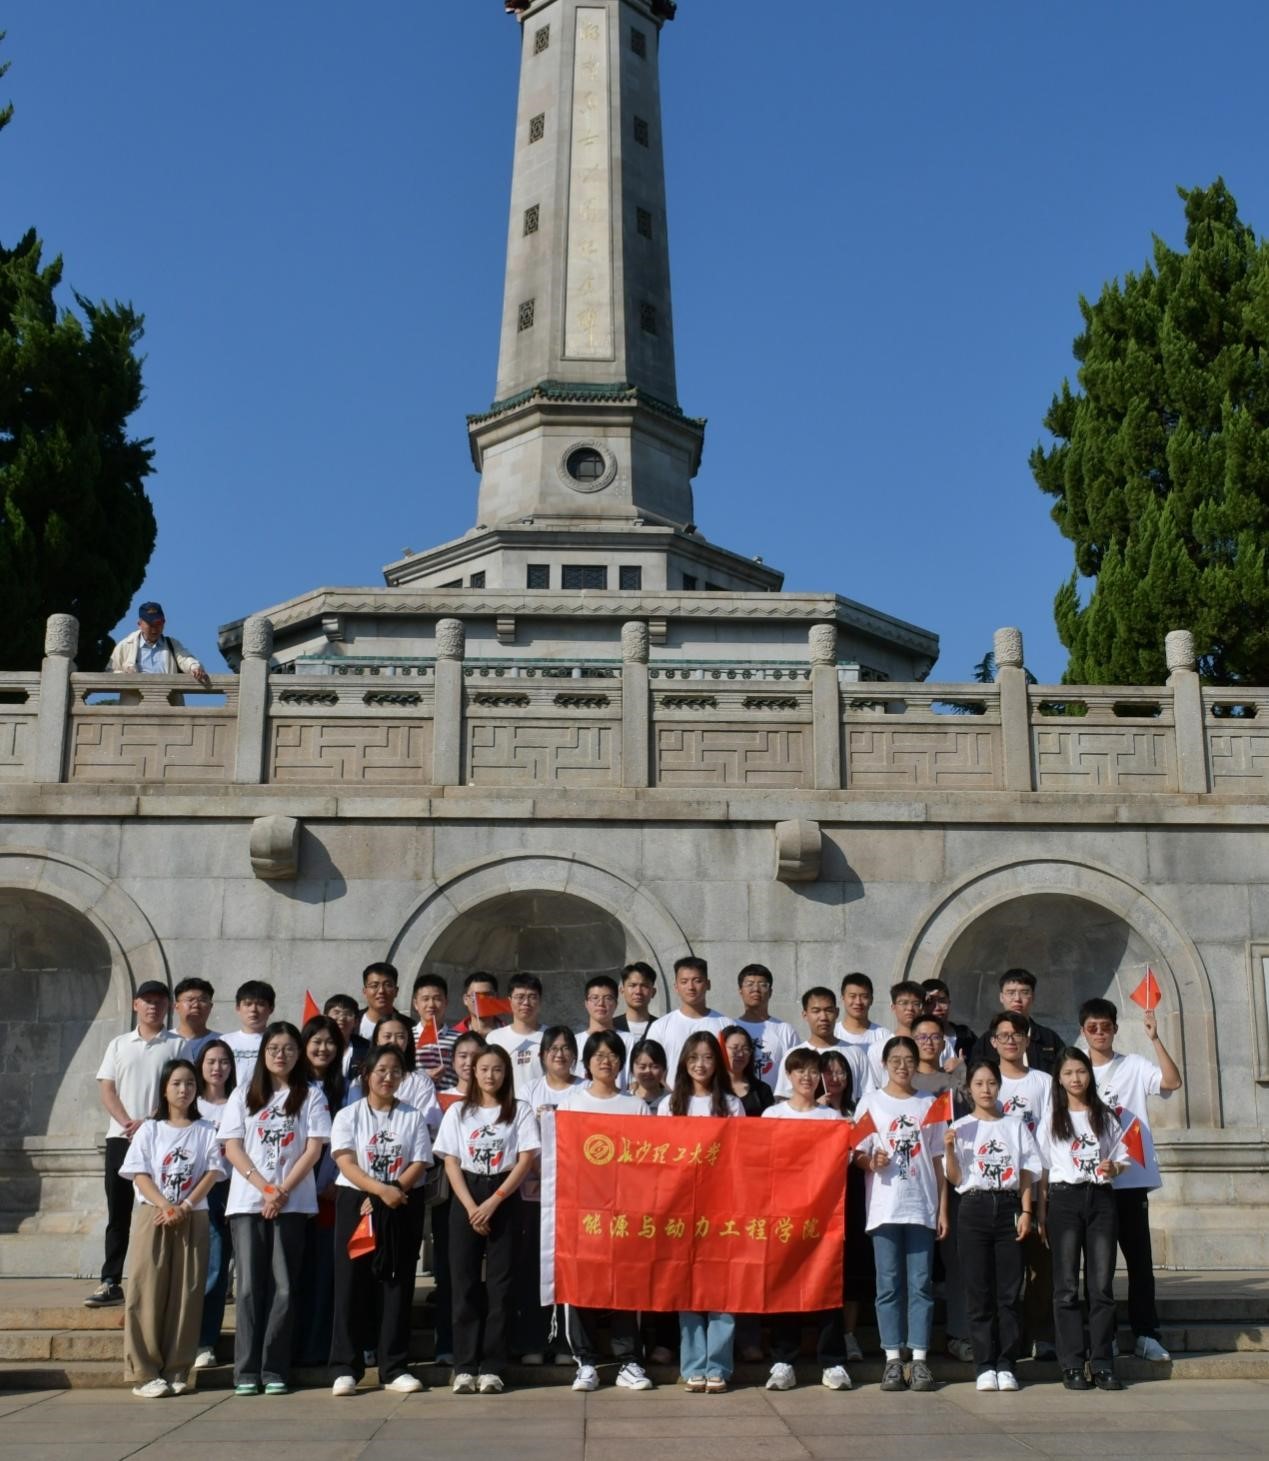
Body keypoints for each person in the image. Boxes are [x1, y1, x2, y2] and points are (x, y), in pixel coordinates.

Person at [220, 1021, 332, 1395]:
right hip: (248, 1202)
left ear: (298, 1053)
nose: (280, 1055)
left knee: (284, 1287)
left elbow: (314, 1148)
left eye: (288, 1048)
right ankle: (246, 1371)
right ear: (263, 1053)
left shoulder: (311, 1095)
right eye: (273, 1049)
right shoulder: (243, 1094)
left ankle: (274, 1369)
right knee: (249, 1288)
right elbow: (232, 1147)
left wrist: (281, 1190)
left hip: (292, 1203)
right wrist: (265, 1188)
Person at [434, 1044, 540, 1394]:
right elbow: (451, 1161)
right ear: (473, 1072)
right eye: (483, 1069)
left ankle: (493, 1366)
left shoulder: (519, 1110)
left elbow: (525, 1160)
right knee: (463, 1283)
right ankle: (464, 1366)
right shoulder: (458, 1112)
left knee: (501, 1284)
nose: (490, 1075)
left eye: (497, 1069)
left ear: (506, 1073)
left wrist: (494, 1201)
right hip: (466, 1194)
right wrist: (470, 1207)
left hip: (504, 1196)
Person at [1081, 996, 1182, 1363]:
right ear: (1083, 1031)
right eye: (1092, 1027)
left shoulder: (1134, 1065)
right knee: (1098, 1267)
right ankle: (1103, 1337)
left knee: (1139, 1262)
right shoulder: (1075, 1069)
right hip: (1091, 1181)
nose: (1099, 1033)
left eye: (1105, 1027)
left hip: (1131, 1179)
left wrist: (1155, 1038)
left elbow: (1172, 1081)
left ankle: (1146, 1334)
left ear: (1115, 1029)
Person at [328, 1043, 432, 1396]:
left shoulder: (412, 1116)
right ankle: (346, 1366)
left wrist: (393, 1191)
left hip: (401, 1200)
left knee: (397, 1282)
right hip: (357, 1199)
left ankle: (395, 1367)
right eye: (381, 1071)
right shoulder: (349, 1115)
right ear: (366, 1074)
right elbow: (345, 1161)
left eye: (395, 1071)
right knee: (350, 1282)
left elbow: (420, 1160)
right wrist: (377, 1192)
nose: (388, 1077)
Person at [119, 1058, 227, 1397]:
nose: (184, 1090)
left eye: (190, 1084)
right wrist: (166, 1205)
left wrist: (185, 1205)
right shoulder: (149, 1130)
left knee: (187, 1292)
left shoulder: (206, 1129)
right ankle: (143, 1372)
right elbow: (139, 1173)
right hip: (154, 1214)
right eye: (177, 1083)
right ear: (164, 1089)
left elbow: (212, 1172)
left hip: (192, 1214)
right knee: (146, 1290)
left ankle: (177, 1368)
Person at [852, 1035, 949, 1394]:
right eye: (896, 1059)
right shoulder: (870, 1102)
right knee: (888, 1284)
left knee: (920, 1284)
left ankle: (919, 1358)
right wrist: (871, 1161)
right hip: (885, 1206)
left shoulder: (930, 1103)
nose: (903, 1066)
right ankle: (893, 1358)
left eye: (909, 1059)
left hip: (921, 1205)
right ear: (884, 1063)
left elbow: (938, 1158)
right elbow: (856, 1152)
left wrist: (942, 1209)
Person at [562, 1031, 655, 1393]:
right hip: (581, 1209)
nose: (606, 1061)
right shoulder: (572, 1104)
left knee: (626, 1284)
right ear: (587, 1062)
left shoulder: (636, 1106)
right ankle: (585, 1362)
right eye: (599, 1055)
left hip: (625, 1210)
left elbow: (647, 1160)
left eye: (613, 1055)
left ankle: (629, 1361)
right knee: (580, 1282)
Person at [943, 1060, 1042, 1392]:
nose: (986, 1089)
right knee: (978, 1290)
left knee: (1009, 1291)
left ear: (999, 1087)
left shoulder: (1015, 1126)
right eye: (979, 1083)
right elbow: (955, 1178)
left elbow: (1027, 1171)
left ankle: (1006, 1363)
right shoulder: (961, 1126)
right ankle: (984, 1364)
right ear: (969, 1089)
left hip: (1009, 1207)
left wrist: (1027, 1211)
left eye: (991, 1083)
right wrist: (949, 1149)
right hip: (973, 1207)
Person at [1037, 1048, 1130, 1392]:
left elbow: (1123, 1158)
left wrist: (1114, 1167)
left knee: (1101, 1286)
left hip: (1101, 1199)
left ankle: (1103, 1362)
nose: (1075, 1079)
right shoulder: (1052, 1118)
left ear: (1089, 1075)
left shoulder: (1104, 1115)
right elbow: (1042, 1170)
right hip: (1064, 1199)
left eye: (1081, 1071)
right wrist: (1041, 1212)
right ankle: (1072, 1363)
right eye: (1068, 1073)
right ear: (1059, 1080)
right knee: (1065, 1287)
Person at [86, 980, 183, 1308]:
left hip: (160, 1137)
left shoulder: (178, 1045)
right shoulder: (118, 1044)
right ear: (135, 1005)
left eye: (159, 1000)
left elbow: (181, 1088)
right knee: (119, 1210)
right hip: (121, 1137)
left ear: (167, 1006)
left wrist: (148, 1121)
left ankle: (158, 1278)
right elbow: (107, 1089)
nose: (153, 1006)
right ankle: (111, 1280)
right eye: (147, 1000)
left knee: (158, 1207)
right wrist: (128, 1122)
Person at [762, 1047, 852, 1393]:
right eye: (800, 1071)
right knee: (785, 1285)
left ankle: (833, 1361)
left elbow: (842, 1163)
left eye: (813, 1071)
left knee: (827, 1283)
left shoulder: (831, 1118)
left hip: (823, 1215)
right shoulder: (773, 1114)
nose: (807, 1077)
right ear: (789, 1075)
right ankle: (784, 1360)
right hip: (783, 1216)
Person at [659, 1032, 743, 1393]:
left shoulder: (731, 1104)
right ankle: (693, 1363)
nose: (700, 1064)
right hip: (682, 1207)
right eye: (693, 1057)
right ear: (683, 1062)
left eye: (708, 1057)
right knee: (687, 1283)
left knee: (722, 1283)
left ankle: (719, 1365)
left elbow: (740, 1155)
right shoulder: (670, 1104)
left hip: (721, 1206)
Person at [989, 1009, 1055, 1360]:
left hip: (1038, 1181)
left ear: (1028, 1040)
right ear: (993, 1042)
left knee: (1041, 1265)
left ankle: (1041, 1334)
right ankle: (1006, 1338)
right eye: (1004, 1035)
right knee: (1005, 1269)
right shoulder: (987, 1080)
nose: (1011, 1040)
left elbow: (1050, 1136)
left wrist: (1044, 1191)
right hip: (998, 1186)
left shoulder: (1043, 1082)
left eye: (1017, 1034)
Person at [292, 1016, 349, 1370]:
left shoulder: (347, 1088)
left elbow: (351, 1138)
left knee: (323, 1270)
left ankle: (316, 1347)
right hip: (293, 1189)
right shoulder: (290, 1085)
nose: (323, 1048)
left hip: (330, 1190)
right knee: (293, 1270)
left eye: (330, 1042)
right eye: (316, 1041)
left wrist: (337, 1180)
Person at [432, 1032, 488, 1367]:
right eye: (462, 1056)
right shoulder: (440, 1099)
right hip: (450, 1195)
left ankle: (487, 1344)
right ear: (453, 1061)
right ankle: (448, 1343)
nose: (469, 1063)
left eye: (475, 1056)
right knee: (451, 1271)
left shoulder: (498, 1100)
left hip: (490, 1197)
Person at [193, 1038, 236, 1369]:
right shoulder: (191, 1103)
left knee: (234, 1268)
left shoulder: (241, 1101)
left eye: (223, 1062)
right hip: (202, 1191)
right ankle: (203, 1341)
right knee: (213, 1266)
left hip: (240, 1187)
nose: (217, 1068)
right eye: (210, 1061)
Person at [775, 987, 869, 1101]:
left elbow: (867, 1098)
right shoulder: (793, 1055)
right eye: (816, 1011)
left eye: (829, 1010)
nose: (823, 1017)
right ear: (805, 1015)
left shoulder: (856, 1053)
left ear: (837, 1012)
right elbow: (783, 1100)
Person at [645, 957, 729, 1079]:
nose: (691, 987)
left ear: (708, 984)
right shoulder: (660, 1027)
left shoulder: (725, 1025)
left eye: (697, 981)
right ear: (676, 987)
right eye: (684, 982)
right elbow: (651, 1067)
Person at [358, 1016, 442, 1137]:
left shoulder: (420, 1081)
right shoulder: (361, 1080)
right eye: (387, 1036)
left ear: (408, 1041)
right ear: (377, 1039)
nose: (394, 1041)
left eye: (400, 1037)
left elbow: (426, 1124)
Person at [970, 970, 1062, 1074]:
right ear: (1001, 997)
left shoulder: (1049, 1039)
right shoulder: (985, 1043)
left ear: (1033, 997)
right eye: (1011, 993)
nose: (1017, 999)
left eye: (1024, 992)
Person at [107, 602, 211, 690]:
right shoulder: (125, 645)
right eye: (150, 624)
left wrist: (195, 667)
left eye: (159, 623)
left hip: (167, 703)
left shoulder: (172, 644)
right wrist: (126, 677)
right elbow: (110, 672)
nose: (155, 628)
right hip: (135, 703)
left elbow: (185, 659)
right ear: (139, 624)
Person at [733, 964, 798, 1088]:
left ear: (770, 992)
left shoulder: (785, 1030)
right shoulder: (731, 1027)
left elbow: (796, 1070)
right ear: (740, 991)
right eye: (749, 984)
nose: (756, 989)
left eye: (762, 985)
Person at [487, 973, 546, 1097]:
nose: (526, 1003)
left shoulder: (551, 1037)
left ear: (540, 1000)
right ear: (509, 1001)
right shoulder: (494, 1038)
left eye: (532, 997)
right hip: (506, 1104)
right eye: (520, 997)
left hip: (542, 1104)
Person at [572, 975, 635, 1085]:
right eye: (595, 998)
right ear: (586, 1003)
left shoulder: (630, 1040)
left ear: (616, 1004)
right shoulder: (574, 1042)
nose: (601, 1003)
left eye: (608, 998)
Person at [412, 973, 460, 1089]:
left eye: (437, 999)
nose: (431, 1004)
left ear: (446, 1003)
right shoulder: (407, 1036)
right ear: (416, 1004)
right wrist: (424, 1076)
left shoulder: (459, 1039)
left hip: (449, 1098)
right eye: (425, 999)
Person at [222, 981, 276, 1086]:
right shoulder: (224, 1041)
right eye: (248, 1004)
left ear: (271, 1008)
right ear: (238, 1008)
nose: (253, 1009)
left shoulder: (277, 1041)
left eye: (260, 1004)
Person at [834, 971, 890, 1063]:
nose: (858, 1002)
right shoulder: (833, 1033)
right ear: (843, 998)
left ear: (871, 1000)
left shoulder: (884, 1036)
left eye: (864, 996)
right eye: (852, 996)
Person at [721, 1025, 774, 1116]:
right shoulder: (710, 1087)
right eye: (735, 1048)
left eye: (745, 1049)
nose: (740, 1054)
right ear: (721, 1049)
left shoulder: (762, 1090)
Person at [921, 978, 976, 1064]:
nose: (937, 1007)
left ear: (949, 1003)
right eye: (930, 1002)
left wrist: (962, 1068)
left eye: (942, 1001)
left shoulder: (966, 1037)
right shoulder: (915, 1039)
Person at [172, 978, 219, 1061]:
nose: (196, 1005)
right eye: (189, 1000)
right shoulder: (166, 1040)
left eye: (202, 1000)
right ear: (176, 1006)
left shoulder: (221, 1041)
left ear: (210, 1006)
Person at [324, 994, 368, 1077]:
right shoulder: (316, 1047)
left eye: (348, 1013)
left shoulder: (367, 1049)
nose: (342, 1018)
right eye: (336, 1012)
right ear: (325, 1018)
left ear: (356, 1022)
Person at [359, 963, 405, 1042]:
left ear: (396, 991)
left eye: (387, 985)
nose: (381, 991)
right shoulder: (351, 1022)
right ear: (364, 991)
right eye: (374, 986)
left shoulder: (409, 1026)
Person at [615, 962, 658, 1040]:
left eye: (644, 986)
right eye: (632, 985)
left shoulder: (661, 1026)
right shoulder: (611, 1027)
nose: (638, 991)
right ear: (622, 990)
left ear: (653, 992)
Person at [454, 971, 505, 1037]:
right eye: (475, 995)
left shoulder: (509, 1034)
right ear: (465, 999)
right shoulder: (454, 1035)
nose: (481, 1000)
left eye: (487, 995)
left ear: (497, 997)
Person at [628, 1038, 670, 1114]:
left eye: (654, 1066)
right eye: (642, 1067)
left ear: (664, 1068)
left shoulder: (672, 1102)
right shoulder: (625, 1100)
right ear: (632, 1069)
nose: (648, 1071)